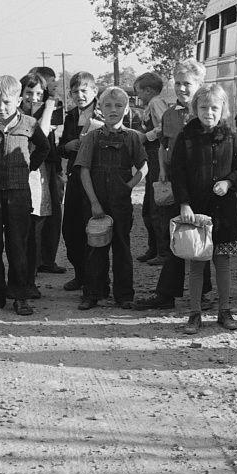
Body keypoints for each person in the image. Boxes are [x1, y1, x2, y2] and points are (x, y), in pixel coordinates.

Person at [133, 59, 214, 311]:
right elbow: (163, 146)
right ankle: (166, 294)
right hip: (174, 182)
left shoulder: (206, 110)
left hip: (199, 183)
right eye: (177, 83)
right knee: (174, 237)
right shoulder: (170, 114)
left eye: (187, 84)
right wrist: (163, 172)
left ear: (199, 84)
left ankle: (201, 295)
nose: (181, 88)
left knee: (200, 238)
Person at [171, 83, 237, 334]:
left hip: (224, 211)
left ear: (223, 109)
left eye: (215, 107)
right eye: (204, 107)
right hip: (196, 210)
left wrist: (228, 183)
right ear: (196, 108)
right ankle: (195, 313)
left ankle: (224, 311)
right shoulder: (186, 136)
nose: (209, 112)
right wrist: (184, 203)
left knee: (222, 262)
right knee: (196, 263)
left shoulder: (231, 136)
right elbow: (178, 173)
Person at [0, 75, 50, 316]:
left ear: (17, 99)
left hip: (19, 194)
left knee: (19, 246)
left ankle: (20, 295)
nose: (1, 107)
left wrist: (28, 167)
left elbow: (44, 148)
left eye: (6, 101)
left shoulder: (29, 124)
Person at [75, 86, 147, 311]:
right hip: (96, 201)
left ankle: (124, 295)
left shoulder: (133, 138)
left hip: (121, 203)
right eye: (108, 105)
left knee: (122, 247)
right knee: (95, 247)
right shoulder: (92, 138)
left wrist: (128, 187)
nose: (113, 110)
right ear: (100, 109)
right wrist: (94, 202)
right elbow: (83, 170)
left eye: (118, 106)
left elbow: (144, 167)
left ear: (126, 110)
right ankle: (93, 293)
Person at [58, 72, 103, 291]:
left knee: (94, 229)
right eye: (75, 91)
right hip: (75, 179)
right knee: (71, 229)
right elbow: (61, 147)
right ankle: (80, 274)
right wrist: (68, 146)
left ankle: (95, 282)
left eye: (84, 90)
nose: (79, 95)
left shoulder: (104, 112)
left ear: (94, 91)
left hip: (97, 180)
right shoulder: (70, 116)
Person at [19, 72, 59, 303]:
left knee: (36, 228)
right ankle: (20, 277)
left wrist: (50, 105)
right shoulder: (16, 114)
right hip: (18, 171)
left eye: (38, 94)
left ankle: (31, 276)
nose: (33, 98)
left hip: (39, 173)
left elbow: (42, 134)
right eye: (28, 93)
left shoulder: (47, 113)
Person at [28, 66, 67, 274]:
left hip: (50, 162)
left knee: (53, 210)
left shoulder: (53, 105)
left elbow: (53, 129)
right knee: (33, 213)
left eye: (51, 82)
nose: (50, 86)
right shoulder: (23, 107)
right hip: (30, 164)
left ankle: (48, 259)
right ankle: (32, 261)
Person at [133, 71, 169, 265]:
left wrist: (146, 137)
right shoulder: (150, 105)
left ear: (148, 90)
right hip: (151, 156)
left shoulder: (156, 103)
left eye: (139, 91)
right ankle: (154, 247)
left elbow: (165, 126)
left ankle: (163, 251)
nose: (138, 96)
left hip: (157, 155)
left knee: (157, 204)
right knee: (148, 205)